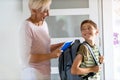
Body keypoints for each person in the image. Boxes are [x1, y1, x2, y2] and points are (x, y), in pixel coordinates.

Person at [19, 0, 64, 80]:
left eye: (48, 10)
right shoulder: (26, 27)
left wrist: (60, 45)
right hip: (32, 73)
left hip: (45, 72)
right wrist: (51, 55)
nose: (48, 14)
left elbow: (43, 48)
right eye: (44, 11)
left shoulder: (44, 24)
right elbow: (26, 58)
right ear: (33, 10)